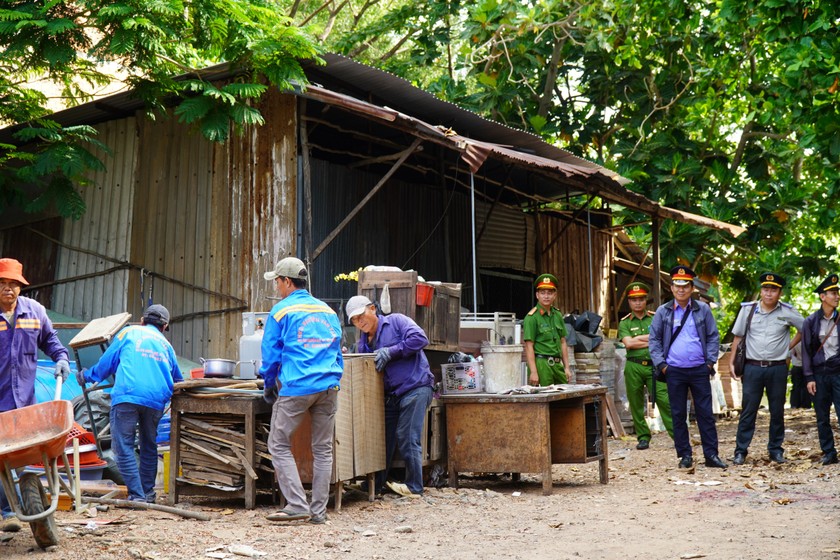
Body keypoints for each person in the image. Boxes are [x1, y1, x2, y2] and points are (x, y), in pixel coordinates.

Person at [261, 257, 343, 524]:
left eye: (277, 282)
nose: (276, 288)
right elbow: (337, 350)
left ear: (287, 281)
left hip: (297, 386)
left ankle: (296, 504)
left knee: (278, 443)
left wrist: (269, 383)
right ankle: (318, 513)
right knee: (322, 449)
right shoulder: (328, 311)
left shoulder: (281, 311)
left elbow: (271, 355)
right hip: (329, 386)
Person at [77, 304, 182, 503]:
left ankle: (137, 496)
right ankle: (148, 494)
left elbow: (106, 364)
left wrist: (87, 375)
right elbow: (178, 378)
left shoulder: (129, 332)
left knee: (122, 446)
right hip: (156, 400)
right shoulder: (166, 345)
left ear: (142, 321)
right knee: (149, 446)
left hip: (128, 395)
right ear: (164, 326)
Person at [0, 257, 70, 533]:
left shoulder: (34, 312)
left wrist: (61, 358)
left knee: (18, 458)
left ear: (21, 286)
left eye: (14, 284)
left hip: (25, 404)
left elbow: (51, 341)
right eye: (3, 283)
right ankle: (8, 513)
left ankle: (23, 506)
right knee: (1, 461)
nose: (8, 289)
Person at [345, 294, 434, 497]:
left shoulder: (396, 321)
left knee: (406, 435)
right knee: (380, 439)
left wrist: (392, 351)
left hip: (416, 386)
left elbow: (420, 338)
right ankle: (375, 485)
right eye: (354, 320)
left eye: (361, 315)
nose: (360, 322)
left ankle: (414, 487)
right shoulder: (362, 344)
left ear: (373, 309)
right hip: (390, 396)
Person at [649, 266, 727, 469]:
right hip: (674, 371)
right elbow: (654, 340)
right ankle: (685, 455)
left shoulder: (703, 309)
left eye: (685, 286)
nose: (681, 290)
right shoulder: (663, 311)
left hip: (699, 370)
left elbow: (713, 336)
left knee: (705, 414)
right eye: (677, 285)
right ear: (672, 288)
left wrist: (709, 362)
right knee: (678, 414)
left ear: (692, 288)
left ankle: (711, 455)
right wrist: (662, 365)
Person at [729, 273, 803, 465]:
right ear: (761, 290)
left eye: (773, 290)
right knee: (748, 411)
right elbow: (738, 337)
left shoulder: (787, 311)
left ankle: (776, 450)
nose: (769, 293)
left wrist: (788, 347)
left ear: (780, 292)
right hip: (752, 368)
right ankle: (741, 451)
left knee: (777, 411)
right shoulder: (748, 310)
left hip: (777, 368)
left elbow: (805, 329)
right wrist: (731, 362)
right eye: (765, 289)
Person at [618, 281, 673, 450]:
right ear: (629, 302)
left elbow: (664, 338)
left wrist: (640, 340)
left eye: (641, 299)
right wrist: (651, 339)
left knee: (665, 400)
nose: (638, 303)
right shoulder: (625, 323)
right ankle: (643, 437)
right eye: (634, 300)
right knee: (635, 403)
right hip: (633, 366)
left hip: (654, 366)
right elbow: (628, 344)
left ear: (645, 300)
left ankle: (678, 435)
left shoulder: (656, 317)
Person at [801, 273, 840, 466]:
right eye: (832, 292)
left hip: (838, 373)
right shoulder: (810, 322)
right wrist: (809, 377)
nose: (837, 295)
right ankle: (829, 452)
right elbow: (806, 351)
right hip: (819, 374)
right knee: (822, 416)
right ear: (822, 297)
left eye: (837, 292)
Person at [523, 274, 570, 386]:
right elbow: (529, 346)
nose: (546, 296)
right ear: (537, 295)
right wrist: (534, 372)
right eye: (543, 293)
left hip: (558, 365)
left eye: (549, 293)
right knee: (544, 398)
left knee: (564, 398)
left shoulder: (557, 315)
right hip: (541, 364)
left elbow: (563, 341)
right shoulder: (531, 317)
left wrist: (567, 367)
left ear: (555, 295)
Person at [789, 342, 812, 409]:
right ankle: (806, 405)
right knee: (806, 386)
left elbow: (789, 354)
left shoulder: (793, 342)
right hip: (807, 367)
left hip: (796, 366)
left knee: (796, 386)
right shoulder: (808, 341)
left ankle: (794, 404)